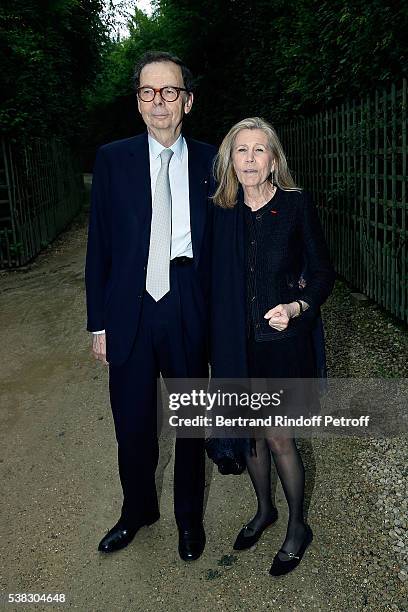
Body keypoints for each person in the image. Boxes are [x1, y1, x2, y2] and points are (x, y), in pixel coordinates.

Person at [85, 51, 216, 561]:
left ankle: (189, 519)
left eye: (169, 91)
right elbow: (100, 247)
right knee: (132, 421)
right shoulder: (112, 159)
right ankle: (137, 510)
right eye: (147, 92)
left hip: (187, 300)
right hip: (131, 305)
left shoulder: (212, 160)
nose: (158, 101)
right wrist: (98, 321)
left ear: (187, 100)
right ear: (138, 102)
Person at [211, 117, 335, 576]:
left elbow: (323, 273)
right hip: (236, 347)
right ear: (230, 159)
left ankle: (297, 525)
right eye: (240, 150)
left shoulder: (296, 206)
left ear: (274, 159)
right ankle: (264, 510)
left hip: (283, 343)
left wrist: (298, 305)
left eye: (259, 150)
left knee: (279, 434)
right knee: (250, 435)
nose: (249, 159)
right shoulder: (221, 213)